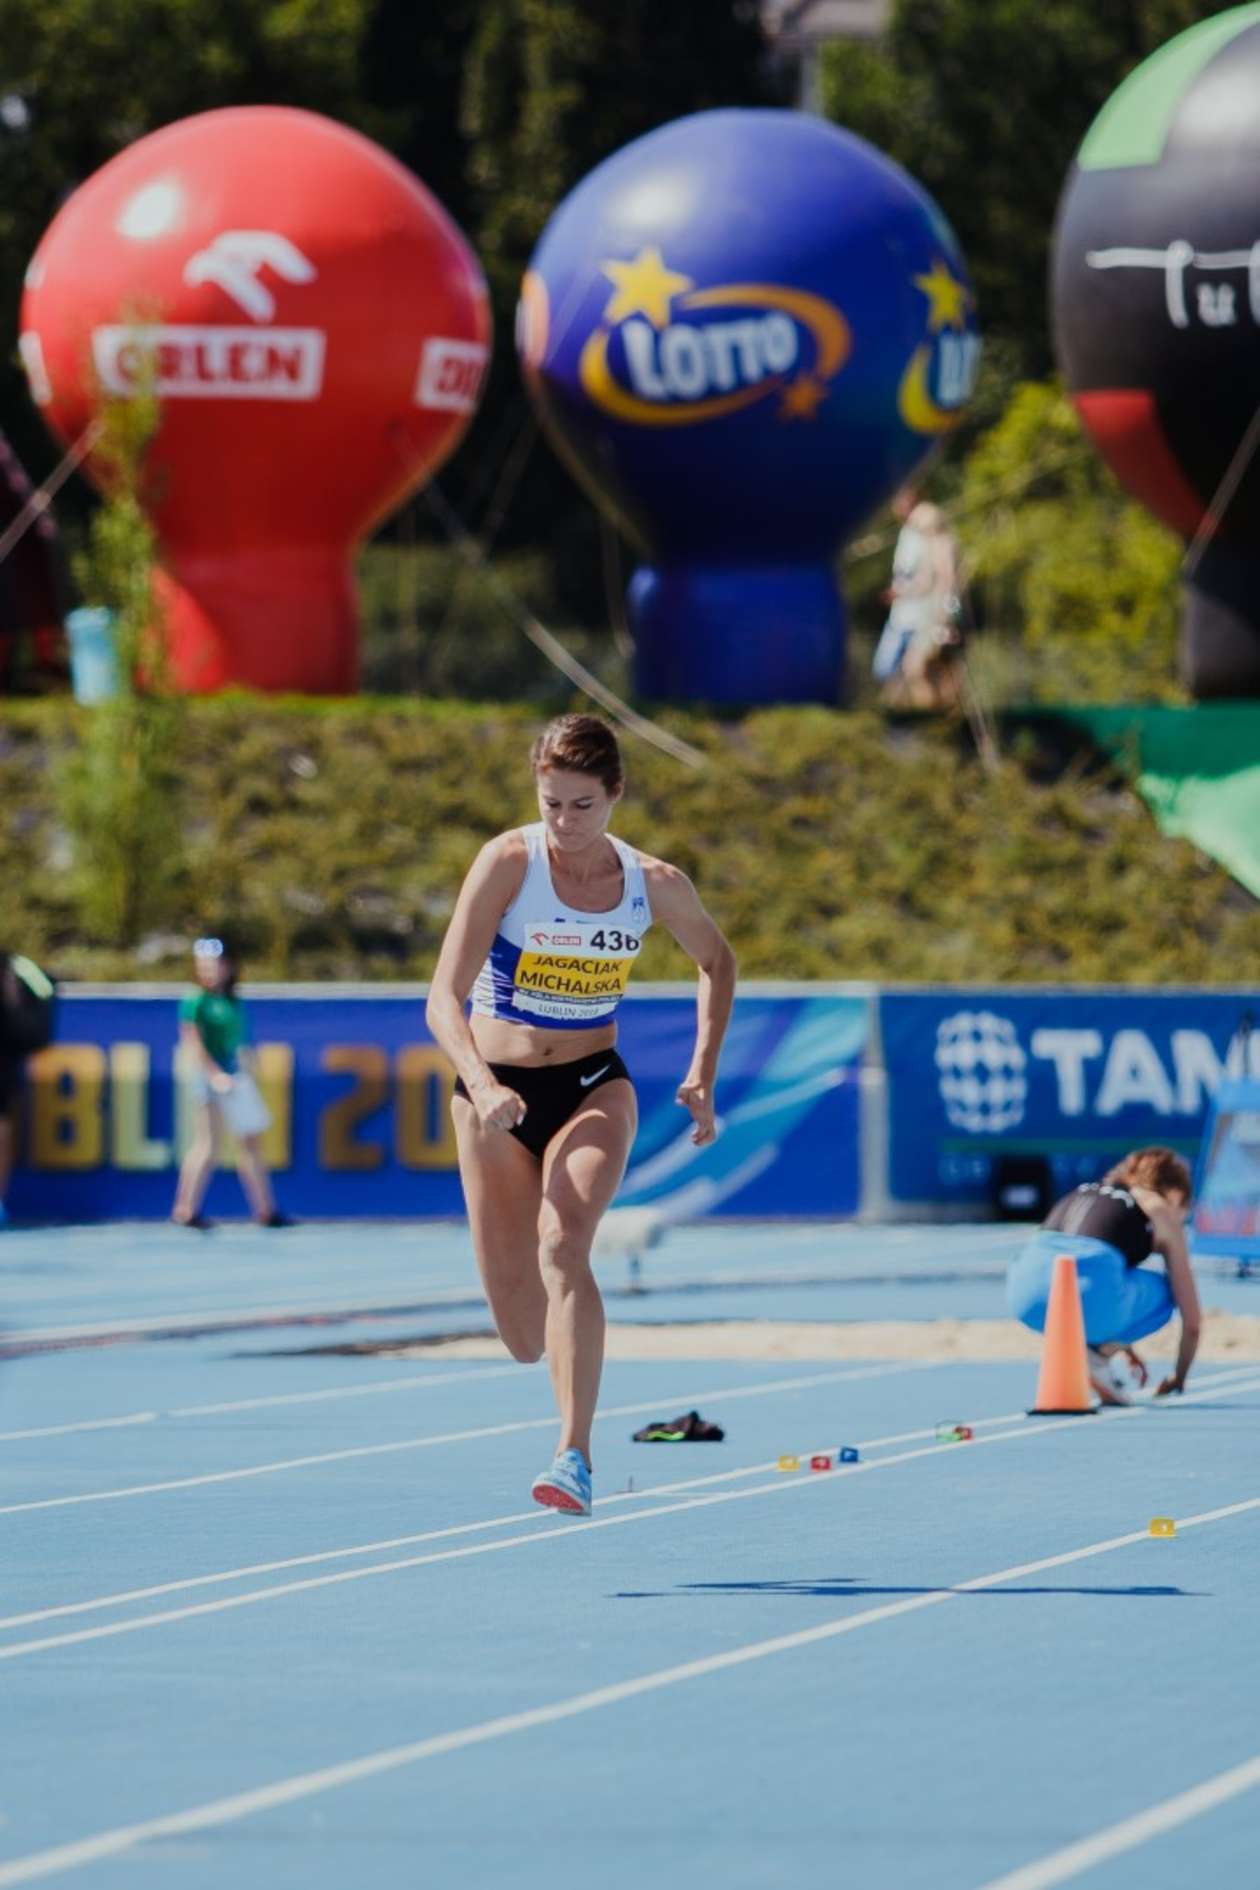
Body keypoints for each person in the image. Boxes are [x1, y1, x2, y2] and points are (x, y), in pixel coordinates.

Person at [425, 713, 737, 1516]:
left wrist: (702, 1071)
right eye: (551, 803)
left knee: (565, 1243)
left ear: (617, 796)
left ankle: (574, 1455)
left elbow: (716, 960)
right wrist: (482, 1085)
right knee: (522, 1334)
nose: (564, 824)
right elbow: (441, 998)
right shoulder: (508, 862)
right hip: (492, 1098)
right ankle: (558, 1400)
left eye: (582, 806)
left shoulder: (652, 883)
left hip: (595, 1086)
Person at [1007, 1146, 1201, 1404]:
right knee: (1168, 1291)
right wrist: (1179, 1377)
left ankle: (1093, 1350)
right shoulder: (1158, 1207)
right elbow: (1192, 1322)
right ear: (1176, 1195)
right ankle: (1096, 1355)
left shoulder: (1084, 1190)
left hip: (1025, 1298)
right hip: (1091, 1296)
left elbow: (1087, 1256)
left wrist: (1124, 1344)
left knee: (1116, 1271)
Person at [172, 937, 288, 1229]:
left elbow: (241, 1041)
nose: (211, 970)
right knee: (207, 1144)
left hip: (236, 1076)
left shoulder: (232, 1000)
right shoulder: (195, 999)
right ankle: (186, 1209)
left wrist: (245, 1071)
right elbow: (193, 1043)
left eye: (217, 964)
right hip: (210, 1077)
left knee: (251, 1143)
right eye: (205, 965)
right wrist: (214, 1075)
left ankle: (265, 1210)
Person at [872, 487, 964, 711]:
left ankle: (932, 712)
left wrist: (946, 618)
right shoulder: (930, 545)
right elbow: (926, 582)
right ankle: (939, 710)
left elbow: (946, 582)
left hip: (938, 614)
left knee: (917, 667)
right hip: (931, 614)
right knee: (929, 668)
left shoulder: (943, 545)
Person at [0, 951, 56, 1229]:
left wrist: (12, 996)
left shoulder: (18, 966)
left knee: (2, 1133)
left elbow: (44, 990)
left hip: (4, 1065)